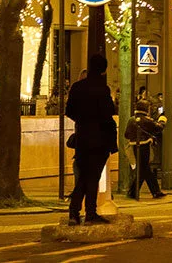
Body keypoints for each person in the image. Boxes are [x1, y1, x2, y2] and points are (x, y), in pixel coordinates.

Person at [65, 54, 117, 225]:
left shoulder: (77, 87)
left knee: (83, 176)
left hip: (82, 137)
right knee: (92, 177)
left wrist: (83, 120)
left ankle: (74, 212)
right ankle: (90, 213)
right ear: (103, 70)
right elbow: (109, 110)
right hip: (99, 138)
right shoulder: (102, 89)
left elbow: (70, 110)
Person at [126, 99, 165, 200]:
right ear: (145, 109)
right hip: (144, 145)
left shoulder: (131, 120)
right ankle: (133, 192)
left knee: (145, 169)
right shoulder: (146, 120)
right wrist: (162, 120)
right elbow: (158, 128)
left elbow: (126, 134)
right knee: (144, 169)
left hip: (134, 146)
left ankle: (155, 191)